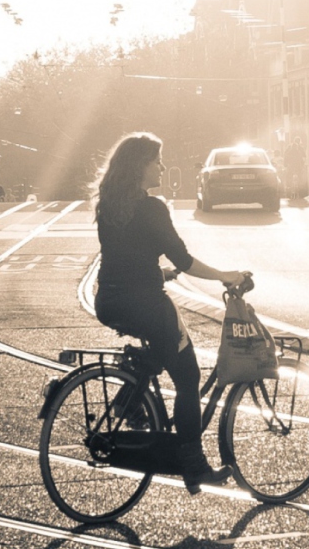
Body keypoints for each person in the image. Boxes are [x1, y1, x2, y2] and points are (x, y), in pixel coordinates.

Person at [91, 132, 251, 493]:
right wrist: (226, 275)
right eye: (156, 160)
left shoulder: (109, 202)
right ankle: (194, 466)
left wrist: (156, 271)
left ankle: (130, 399)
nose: (162, 166)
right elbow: (184, 260)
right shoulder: (151, 207)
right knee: (188, 376)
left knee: (163, 354)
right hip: (145, 302)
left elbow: (124, 255)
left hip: (110, 300)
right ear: (140, 167)